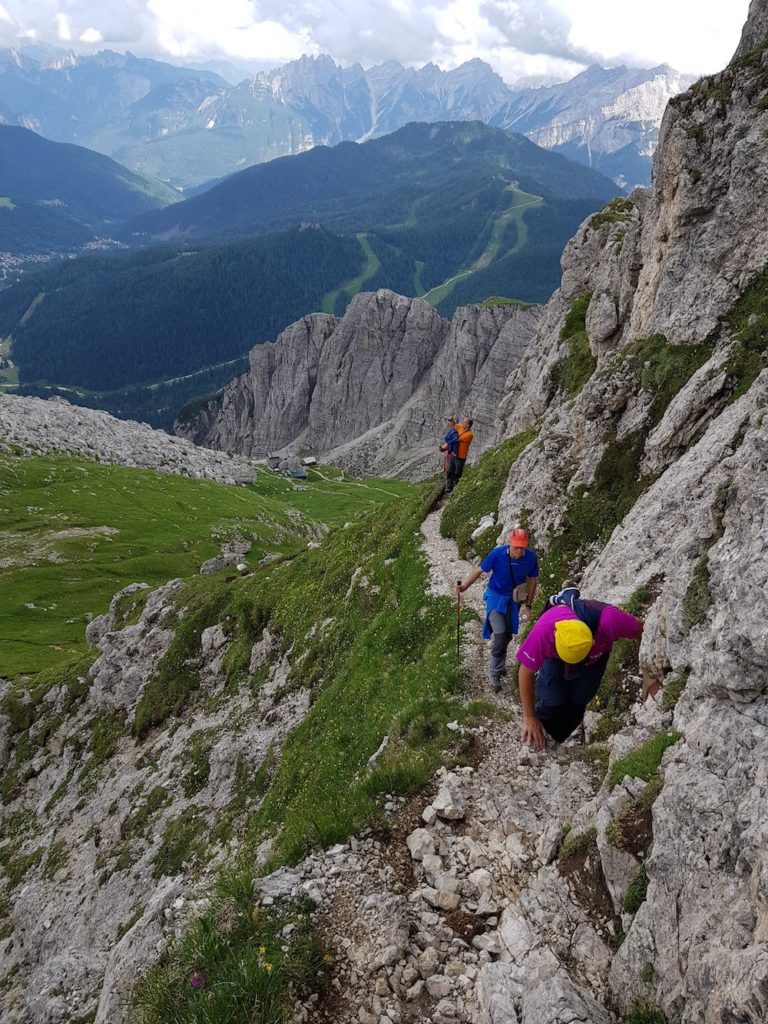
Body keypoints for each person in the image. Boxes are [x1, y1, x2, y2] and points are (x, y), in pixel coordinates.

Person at [515, 587, 647, 750]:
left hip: (594, 660)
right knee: (552, 699)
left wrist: (650, 674)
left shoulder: (611, 621)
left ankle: (557, 740)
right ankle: (539, 734)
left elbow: (646, 631)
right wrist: (529, 717)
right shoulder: (544, 630)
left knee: (580, 699)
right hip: (555, 659)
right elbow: (525, 671)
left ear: (592, 642)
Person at [455, 527, 538, 692]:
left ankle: (499, 664)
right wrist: (464, 586)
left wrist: (528, 606)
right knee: (500, 638)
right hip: (495, 598)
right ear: (510, 543)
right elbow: (479, 570)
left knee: (507, 636)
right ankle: (495, 675)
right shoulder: (497, 554)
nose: (519, 550)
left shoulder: (531, 558)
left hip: (513, 601)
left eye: (522, 547)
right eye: (516, 547)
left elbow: (532, 581)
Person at [445, 418, 474, 494]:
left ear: (468, 425)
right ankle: (449, 487)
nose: (462, 423)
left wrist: (450, 439)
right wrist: (452, 421)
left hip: (460, 457)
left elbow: (457, 439)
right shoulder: (460, 427)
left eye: (464, 422)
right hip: (453, 454)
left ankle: (456, 488)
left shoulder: (469, 434)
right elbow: (455, 425)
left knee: (457, 473)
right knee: (450, 471)